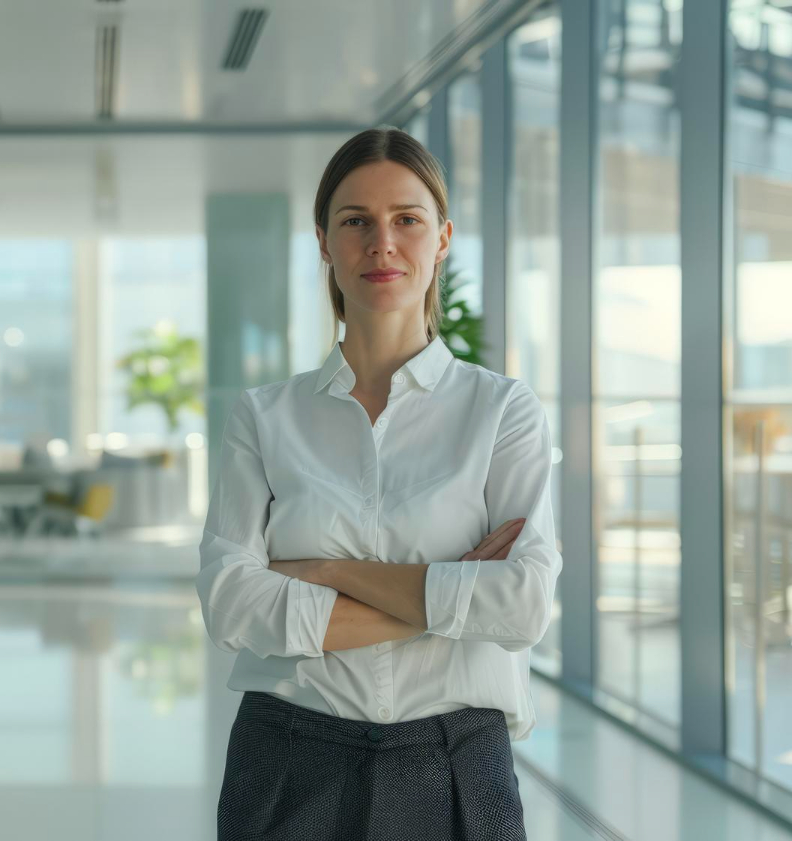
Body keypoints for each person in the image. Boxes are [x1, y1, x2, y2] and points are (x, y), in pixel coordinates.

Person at [196, 126, 560, 841]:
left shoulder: (502, 411)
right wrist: (453, 592)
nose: (381, 243)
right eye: (355, 220)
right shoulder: (266, 417)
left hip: (459, 765)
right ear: (325, 242)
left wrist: (327, 572)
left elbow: (521, 605)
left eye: (407, 220)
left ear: (444, 238)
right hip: (287, 761)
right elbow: (231, 603)